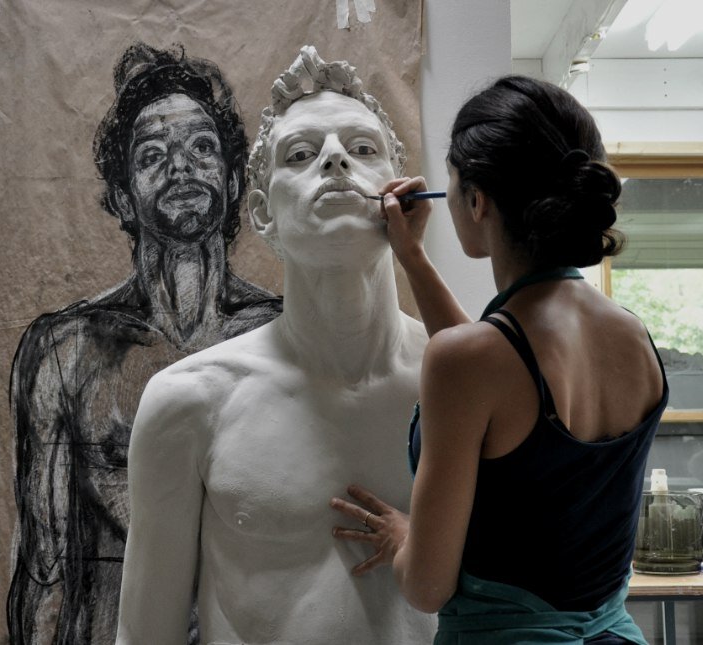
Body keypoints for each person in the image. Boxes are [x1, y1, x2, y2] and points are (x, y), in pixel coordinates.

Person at [331, 75, 669, 644]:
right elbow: (501, 377)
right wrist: (411, 257)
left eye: (452, 180)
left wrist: (404, 538)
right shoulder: (633, 337)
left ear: (477, 201)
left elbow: (427, 588)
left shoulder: (473, 362)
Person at [115, 46, 436, 644]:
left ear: (402, 191)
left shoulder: (461, 385)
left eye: (363, 148)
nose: (336, 159)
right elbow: (144, 634)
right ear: (263, 213)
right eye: (301, 154)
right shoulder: (191, 403)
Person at [8, 43, 281, 644]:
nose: (181, 167)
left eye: (202, 147)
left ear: (234, 179)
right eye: (153, 154)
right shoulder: (66, 350)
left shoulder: (283, 335)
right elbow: (45, 567)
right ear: (123, 197)